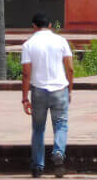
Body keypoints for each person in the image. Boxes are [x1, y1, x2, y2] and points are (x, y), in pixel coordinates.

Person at [21, 12, 73, 178]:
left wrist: (24, 98)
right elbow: (70, 68)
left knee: (38, 129)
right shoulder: (61, 41)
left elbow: (26, 74)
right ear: (50, 25)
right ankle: (58, 153)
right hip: (60, 89)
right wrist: (70, 89)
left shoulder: (29, 44)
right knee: (61, 124)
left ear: (34, 26)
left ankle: (37, 166)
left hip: (39, 91)